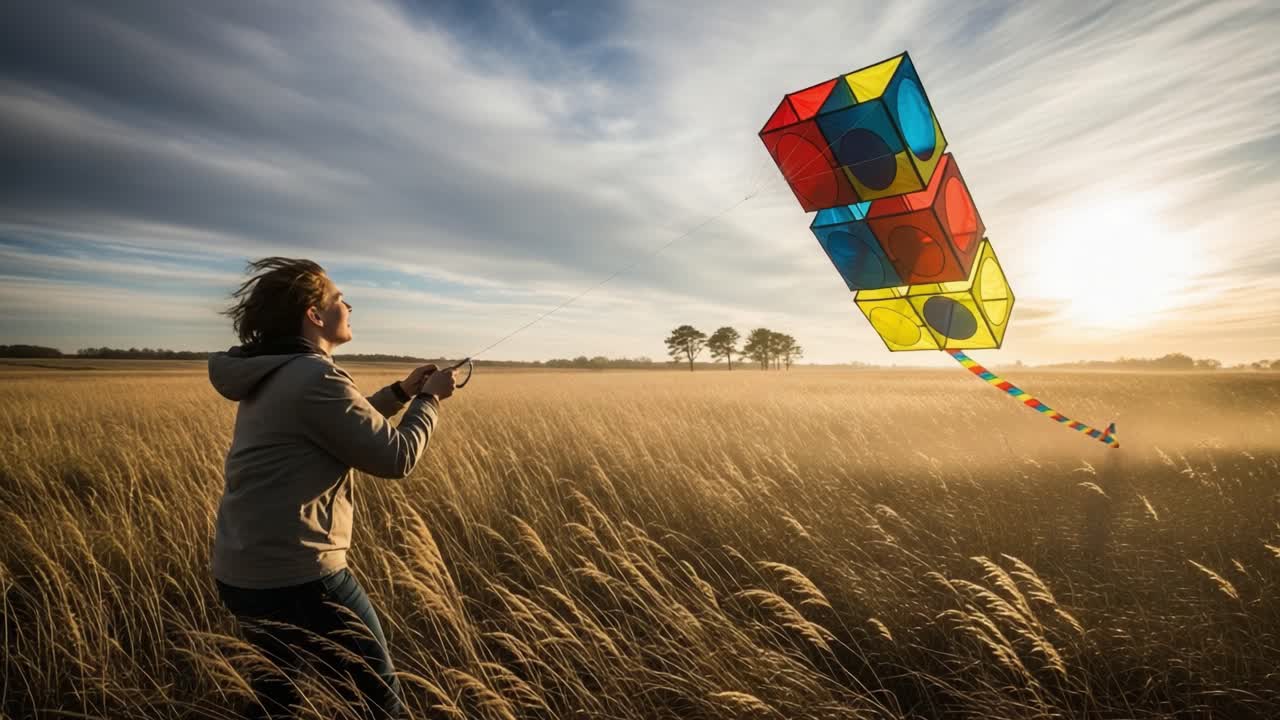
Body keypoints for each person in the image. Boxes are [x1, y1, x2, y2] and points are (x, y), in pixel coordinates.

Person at [207, 257, 455, 719]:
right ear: (314, 315)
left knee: (276, 699)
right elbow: (396, 457)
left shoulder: (279, 371)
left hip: (245, 568)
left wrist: (400, 393)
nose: (350, 305)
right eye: (339, 298)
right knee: (379, 706)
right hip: (299, 574)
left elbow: (336, 425)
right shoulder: (314, 376)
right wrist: (429, 399)